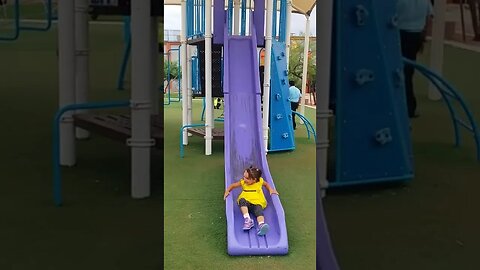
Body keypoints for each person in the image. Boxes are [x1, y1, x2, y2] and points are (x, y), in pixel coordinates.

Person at [396, 0, 433, 118]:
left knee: (399, 71)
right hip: (416, 35)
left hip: (400, 34)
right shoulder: (425, 1)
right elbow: (429, 18)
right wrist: (423, 36)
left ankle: (403, 106)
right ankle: (409, 107)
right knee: (408, 71)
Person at [223, 166, 279, 236]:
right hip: (246, 201)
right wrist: (227, 191)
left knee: (259, 211)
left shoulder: (260, 182)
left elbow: (266, 184)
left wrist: (270, 189)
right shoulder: (243, 182)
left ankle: (261, 224)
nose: (244, 179)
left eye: (247, 178)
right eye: (244, 177)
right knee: (241, 201)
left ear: (254, 180)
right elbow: (233, 185)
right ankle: (248, 219)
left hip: (257, 202)